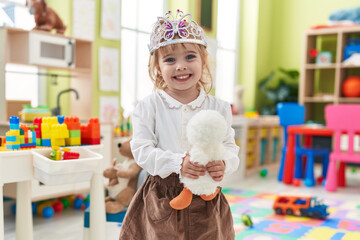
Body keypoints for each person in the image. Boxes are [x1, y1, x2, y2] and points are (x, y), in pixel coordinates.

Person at [119, 9, 240, 240]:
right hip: (162, 196)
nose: (181, 66)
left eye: (190, 57)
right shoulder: (149, 106)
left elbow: (230, 146)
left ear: (203, 60)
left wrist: (225, 163)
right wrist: (177, 162)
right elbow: (141, 150)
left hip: (207, 196)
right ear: (157, 67)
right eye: (170, 60)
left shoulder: (219, 107)